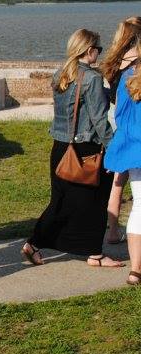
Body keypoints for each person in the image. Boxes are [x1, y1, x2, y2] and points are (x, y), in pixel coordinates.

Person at [21, 28, 118, 268]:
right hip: (86, 150)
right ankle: (95, 254)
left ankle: (33, 244)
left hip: (61, 147)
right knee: (95, 200)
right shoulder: (92, 79)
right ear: (89, 50)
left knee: (61, 201)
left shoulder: (61, 74)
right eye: (99, 49)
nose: (99, 53)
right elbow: (98, 119)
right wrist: (113, 148)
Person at [102, 19, 141, 286]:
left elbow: (119, 115)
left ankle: (136, 268)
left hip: (130, 144)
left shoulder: (118, 69)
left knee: (138, 202)